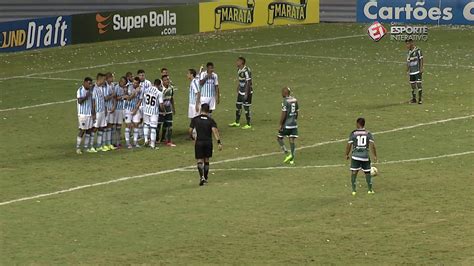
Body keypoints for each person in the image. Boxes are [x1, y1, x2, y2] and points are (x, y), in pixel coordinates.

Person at [189, 103, 223, 186]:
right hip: (208, 142)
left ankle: (201, 177)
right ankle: (206, 177)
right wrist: (219, 142)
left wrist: (192, 138)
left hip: (199, 142)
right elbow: (215, 131)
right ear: (208, 111)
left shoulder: (195, 119)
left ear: (201, 109)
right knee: (206, 160)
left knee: (199, 160)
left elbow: (190, 130)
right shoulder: (211, 120)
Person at [345, 117, 378, 195]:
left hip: (355, 156)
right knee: (367, 172)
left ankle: (354, 191)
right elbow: (372, 145)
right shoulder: (368, 133)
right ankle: (370, 190)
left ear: (357, 124)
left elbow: (349, 144)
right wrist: (375, 155)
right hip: (365, 156)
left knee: (354, 172)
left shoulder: (353, 133)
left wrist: (347, 154)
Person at [229, 57, 253, 129]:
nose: (236, 62)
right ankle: (237, 122)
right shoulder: (239, 70)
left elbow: (248, 82)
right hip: (241, 91)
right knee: (238, 105)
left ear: (242, 62)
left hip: (247, 91)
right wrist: (238, 87)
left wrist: (246, 93)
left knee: (246, 107)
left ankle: (248, 124)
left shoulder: (246, 71)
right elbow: (241, 80)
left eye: (238, 61)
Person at [277, 87, 299, 165]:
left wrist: (280, 124)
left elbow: (284, 113)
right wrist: (295, 120)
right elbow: (297, 112)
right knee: (292, 140)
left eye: (282, 92)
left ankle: (287, 153)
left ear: (285, 93)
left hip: (287, 124)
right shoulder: (295, 100)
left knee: (279, 138)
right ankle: (292, 160)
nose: (281, 94)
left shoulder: (285, 101)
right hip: (294, 124)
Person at [143, 79, 164, 149]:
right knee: (153, 128)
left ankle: (146, 140)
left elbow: (144, 98)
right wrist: (163, 111)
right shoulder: (159, 93)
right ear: (159, 85)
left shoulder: (147, 89)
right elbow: (161, 104)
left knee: (146, 125)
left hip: (146, 110)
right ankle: (152, 144)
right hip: (154, 112)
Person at [76, 77, 93, 154]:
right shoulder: (80, 90)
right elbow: (79, 101)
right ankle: (78, 147)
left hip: (89, 114)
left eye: (90, 84)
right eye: (89, 83)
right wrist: (86, 96)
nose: (90, 85)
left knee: (89, 130)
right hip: (82, 114)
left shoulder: (90, 90)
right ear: (85, 82)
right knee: (82, 130)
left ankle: (86, 147)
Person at [124, 77, 143, 148]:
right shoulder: (129, 87)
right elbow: (128, 98)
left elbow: (140, 100)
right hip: (128, 109)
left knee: (136, 125)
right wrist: (135, 92)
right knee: (128, 125)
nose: (134, 84)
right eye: (134, 82)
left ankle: (135, 142)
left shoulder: (141, 89)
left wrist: (135, 109)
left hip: (136, 109)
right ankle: (128, 142)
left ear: (138, 84)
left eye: (136, 83)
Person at [91, 73, 108, 152]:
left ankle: (99, 146)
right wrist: (93, 113)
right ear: (100, 79)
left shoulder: (100, 88)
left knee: (101, 128)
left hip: (102, 111)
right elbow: (93, 102)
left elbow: (102, 100)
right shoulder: (94, 89)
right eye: (104, 79)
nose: (105, 81)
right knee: (95, 128)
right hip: (97, 112)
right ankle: (90, 146)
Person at [406, 39, 424, 104]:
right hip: (411, 72)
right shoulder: (408, 52)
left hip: (417, 71)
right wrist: (407, 70)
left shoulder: (418, 50)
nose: (407, 45)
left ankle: (420, 99)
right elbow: (408, 62)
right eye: (406, 44)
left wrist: (421, 68)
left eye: (408, 44)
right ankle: (414, 99)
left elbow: (421, 59)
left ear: (411, 43)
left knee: (419, 84)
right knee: (413, 86)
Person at [161, 75, 176, 146]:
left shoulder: (171, 88)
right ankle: (160, 139)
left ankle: (169, 141)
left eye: (167, 80)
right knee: (159, 125)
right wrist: (162, 110)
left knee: (169, 125)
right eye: (165, 80)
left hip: (168, 109)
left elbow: (171, 98)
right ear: (162, 81)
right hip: (160, 109)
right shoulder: (161, 89)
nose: (167, 81)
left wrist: (173, 108)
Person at [103, 72, 116, 151]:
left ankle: (109, 143)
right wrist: (112, 95)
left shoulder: (112, 85)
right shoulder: (105, 87)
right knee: (105, 126)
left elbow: (114, 98)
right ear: (108, 78)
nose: (113, 78)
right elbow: (105, 98)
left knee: (110, 126)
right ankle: (104, 144)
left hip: (111, 108)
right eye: (112, 77)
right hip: (106, 109)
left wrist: (114, 106)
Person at [113, 76, 127, 148]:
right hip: (116, 109)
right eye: (121, 81)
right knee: (115, 127)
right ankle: (114, 142)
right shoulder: (116, 87)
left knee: (119, 127)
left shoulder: (123, 88)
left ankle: (118, 143)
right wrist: (122, 97)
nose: (121, 82)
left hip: (121, 109)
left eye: (123, 82)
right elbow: (115, 97)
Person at [187, 68, 201, 139]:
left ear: (191, 74)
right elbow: (198, 75)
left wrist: (197, 105)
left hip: (194, 104)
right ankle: (192, 135)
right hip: (191, 104)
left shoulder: (194, 82)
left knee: (196, 120)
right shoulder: (194, 80)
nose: (187, 75)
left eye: (188, 73)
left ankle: (196, 136)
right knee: (192, 119)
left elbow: (198, 93)